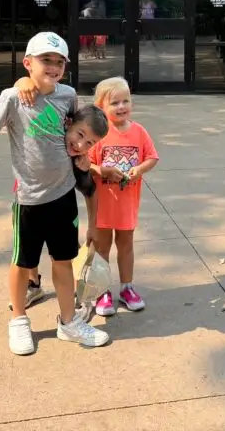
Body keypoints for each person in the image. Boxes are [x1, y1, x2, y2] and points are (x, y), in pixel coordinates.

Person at [0, 31, 111, 355]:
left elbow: (77, 132)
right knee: (22, 264)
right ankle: (19, 320)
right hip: (30, 201)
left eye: (58, 62)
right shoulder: (12, 97)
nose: (52, 66)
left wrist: (83, 156)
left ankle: (69, 322)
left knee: (64, 261)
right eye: (45, 60)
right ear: (27, 62)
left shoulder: (68, 95)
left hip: (63, 197)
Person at [8, 104, 108, 313]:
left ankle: (70, 305)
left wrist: (93, 226)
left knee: (61, 258)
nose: (80, 144)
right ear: (69, 124)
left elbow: (90, 190)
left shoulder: (77, 161)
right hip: (29, 202)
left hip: (60, 208)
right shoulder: (46, 136)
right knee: (27, 257)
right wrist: (22, 84)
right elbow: (31, 101)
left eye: (89, 143)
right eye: (80, 135)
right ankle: (32, 286)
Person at [89, 76, 159, 316]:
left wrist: (139, 169)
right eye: (114, 103)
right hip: (101, 204)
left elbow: (152, 157)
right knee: (102, 248)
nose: (121, 107)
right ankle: (102, 291)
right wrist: (103, 170)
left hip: (127, 204)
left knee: (126, 245)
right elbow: (84, 163)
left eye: (125, 101)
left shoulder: (139, 131)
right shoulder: (97, 133)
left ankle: (127, 287)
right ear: (101, 106)